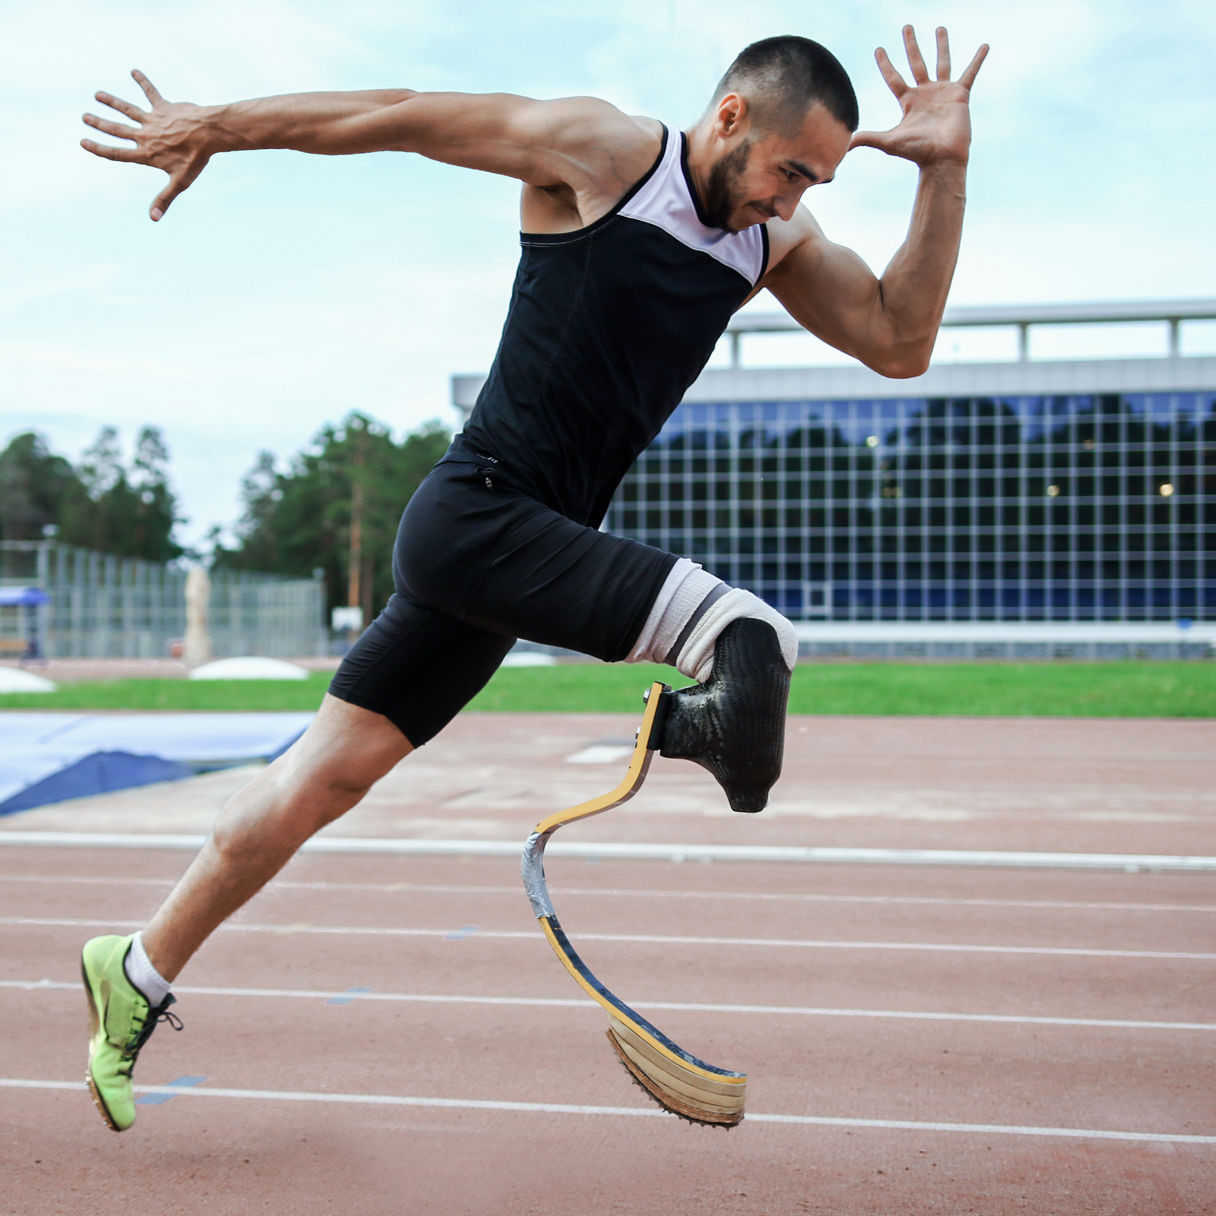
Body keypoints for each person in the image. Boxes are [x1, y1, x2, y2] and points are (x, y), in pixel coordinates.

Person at [78, 25, 987, 1131]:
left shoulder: (773, 241)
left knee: (320, 779)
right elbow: (399, 114)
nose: (790, 200)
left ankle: (138, 964)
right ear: (733, 117)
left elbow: (900, 340)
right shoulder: (603, 154)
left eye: (816, 183)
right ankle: (691, 723)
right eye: (789, 170)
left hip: (511, 554)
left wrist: (943, 170)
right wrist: (214, 125)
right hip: (476, 516)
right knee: (745, 639)